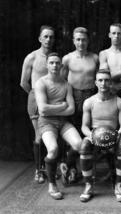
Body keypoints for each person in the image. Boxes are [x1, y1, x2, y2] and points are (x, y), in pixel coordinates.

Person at [35, 53, 82, 200]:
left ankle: (66, 165)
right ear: (47, 65)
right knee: (53, 149)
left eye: (57, 63)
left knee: (79, 144)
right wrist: (62, 105)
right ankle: (52, 184)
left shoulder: (66, 84)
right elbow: (42, 110)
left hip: (62, 122)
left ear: (61, 66)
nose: (55, 65)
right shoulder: (41, 83)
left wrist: (55, 107)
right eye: (52, 63)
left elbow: (71, 109)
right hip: (46, 122)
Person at [79, 69, 121, 203]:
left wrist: (117, 134)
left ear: (111, 82)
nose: (103, 83)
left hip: (113, 134)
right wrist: (91, 135)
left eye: (107, 80)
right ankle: (88, 185)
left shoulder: (119, 101)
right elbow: (84, 126)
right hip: (95, 134)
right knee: (84, 145)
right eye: (100, 80)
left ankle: (119, 185)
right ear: (96, 83)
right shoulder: (88, 102)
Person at [62, 27, 99, 183]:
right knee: (75, 135)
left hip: (91, 96)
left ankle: (80, 167)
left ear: (88, 40)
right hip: (74, 97)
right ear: (73, 41)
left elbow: (100, 79)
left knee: (89, 134)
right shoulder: (67, 59)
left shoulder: (95, 58)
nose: (81, 42)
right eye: (78, 39)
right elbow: (62, 82)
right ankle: (70, 167)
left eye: (83, 39)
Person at [20, 25, 55, 184]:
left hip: (52, 99)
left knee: (52, 133)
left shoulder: (55, 58)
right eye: (45, 36)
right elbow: (23, 83)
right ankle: (38, 170)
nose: (48, 39)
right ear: (40, 38)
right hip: (36, 98)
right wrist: (35, 96)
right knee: (39, 135)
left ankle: (52, 168)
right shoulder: (32, 57)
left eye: (51, 37)